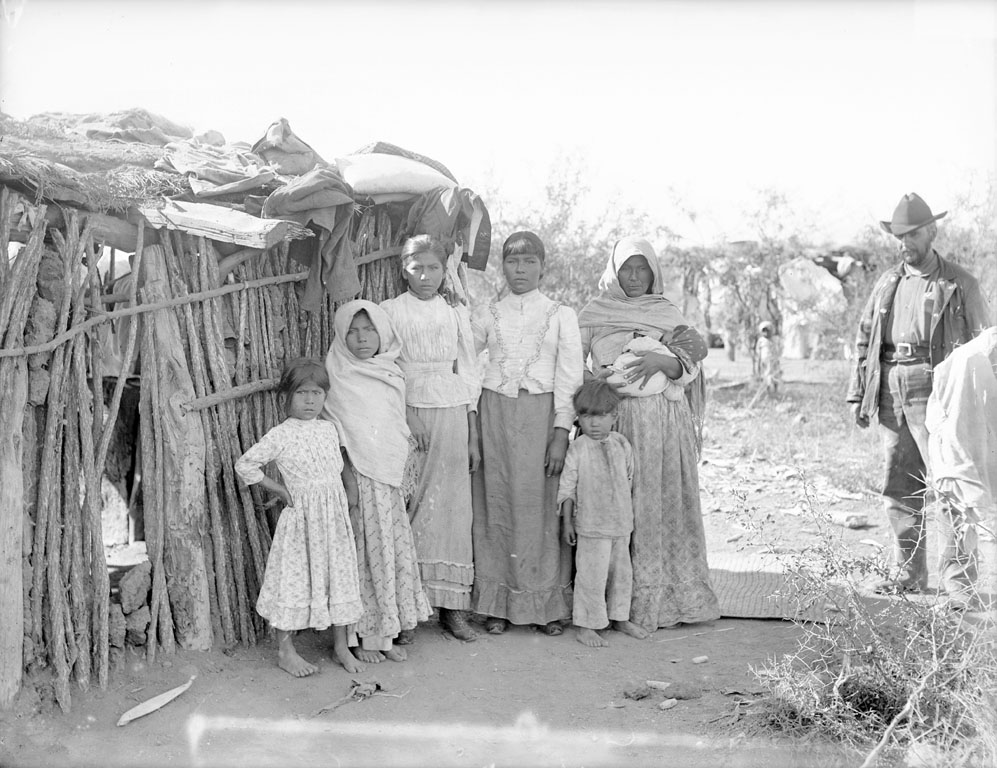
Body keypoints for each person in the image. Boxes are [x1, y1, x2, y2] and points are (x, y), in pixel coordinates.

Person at [846, 193, 991, 595]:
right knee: (899, 487)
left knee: (951, 485)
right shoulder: (888, 282)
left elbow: (985, 348)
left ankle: (959, 583)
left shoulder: (960, 284)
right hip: (892, 386)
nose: (904, 243)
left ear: (932, 232)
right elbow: (865, 340)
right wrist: (860, 394)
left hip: (939, 392)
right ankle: (908, 575)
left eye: (911, 235)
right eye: (899, 236)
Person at [577, 236, 720, 632]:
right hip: (615, 421)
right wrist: (598, 378)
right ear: (614, 271)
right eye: (627, 269)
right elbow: (573, 364)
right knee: (618, 506)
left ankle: (669, 598)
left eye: (643, 269)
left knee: (662, 499)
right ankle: (613, 606)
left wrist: (663, 360)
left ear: (654, 272)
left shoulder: (668, 312)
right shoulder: (593, 313)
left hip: (664, 423)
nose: (635, 277)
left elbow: (691, 367)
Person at [471, 231, 583, 636]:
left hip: (541, 419)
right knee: (496, 503)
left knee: (541, 506)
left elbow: (569, 376)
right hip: (494, 414)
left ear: (542, 266)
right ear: (503, 266)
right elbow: (467, 360)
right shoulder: (487, 313)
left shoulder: (560, 315)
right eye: (513, 262)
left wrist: (560, 432)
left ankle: (546, 606)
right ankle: (498, 605)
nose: (520, 270)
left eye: (529, 262)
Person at [235, 358, 364, 677]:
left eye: (317, 393)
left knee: (338, 573)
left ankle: (341, 646)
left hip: (333, 518)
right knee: (292, 577)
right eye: (302, 393)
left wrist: (349, 492)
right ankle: (286, 650)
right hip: (301, 519)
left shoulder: (329, 429)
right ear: (287, 396)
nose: (310, 400)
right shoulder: (281, 434)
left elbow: (343, 464)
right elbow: (245, 465)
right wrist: (279, 489)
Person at [380, 235, 481, 642]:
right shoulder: (389, 312)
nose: (426, 276)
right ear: (403, 268)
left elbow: (470, 370)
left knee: (454, 506)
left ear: (445, 270)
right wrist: (405, 412)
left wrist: (472, 432)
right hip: (409, 411)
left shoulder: (455, 312)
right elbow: (384, 368)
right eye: (416, 267)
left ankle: (451, 608)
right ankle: (408, 607)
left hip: (453, 410)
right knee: (411, 503)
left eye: (434, 268)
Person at [324, 301, 431, 663]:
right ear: (341, 334)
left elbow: (391, 421)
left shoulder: (390, 372)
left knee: (387, 549)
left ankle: (385, 635)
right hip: (356, 477)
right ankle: (359, 638)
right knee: (363, 552)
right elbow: (337, 431)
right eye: (352, 331)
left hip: (387, 478)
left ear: (382, 333)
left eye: (368, 330)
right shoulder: (337, 373)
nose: (361, 338)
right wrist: (349, 474)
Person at [558, 380, 649, 647]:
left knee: (622, 574)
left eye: (600, 417)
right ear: (579, 419)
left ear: (614, 417)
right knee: (591, 576)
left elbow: (630, 480)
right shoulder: (578, 448)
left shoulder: (622, 444)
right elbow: (567, 488)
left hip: (620, 525)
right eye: (586, 417)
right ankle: (587, 625)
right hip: (591, 526)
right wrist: (567, 522)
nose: (594, 424)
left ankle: (620, 617)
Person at [924, 326, 997, 609]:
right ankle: (960, 590)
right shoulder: (970, 362)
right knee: (956, 497)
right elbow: (959, 440)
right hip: (959, 436)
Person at [754, 321, 782, 396]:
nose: (766, 333)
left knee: (775, 376)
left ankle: (776, 391)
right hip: (765, 361)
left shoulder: (774, 340)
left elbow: (776, 350)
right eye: (764, 331)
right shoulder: (761, 341)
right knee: (767, 376)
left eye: (768, 330)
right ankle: (768, 391)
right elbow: (758, 352)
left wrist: (777, 360)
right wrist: (758, 364)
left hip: (773, 361)